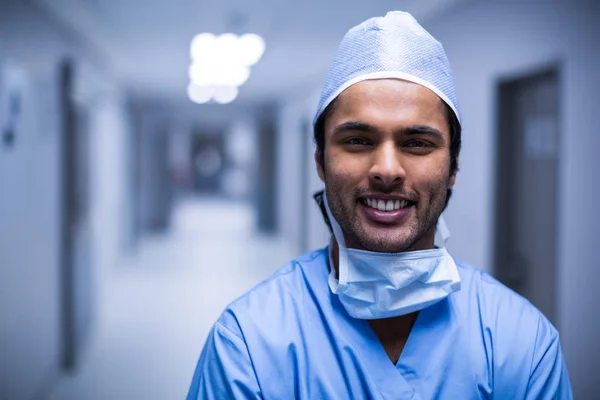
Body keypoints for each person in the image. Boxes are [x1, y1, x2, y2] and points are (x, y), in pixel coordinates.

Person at [187, 11, 572, 399]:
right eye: (358, 140)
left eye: (417, 143)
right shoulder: (248, 345)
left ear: (453, 165)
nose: (387, 170)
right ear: (320, 161)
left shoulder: (523, 345)